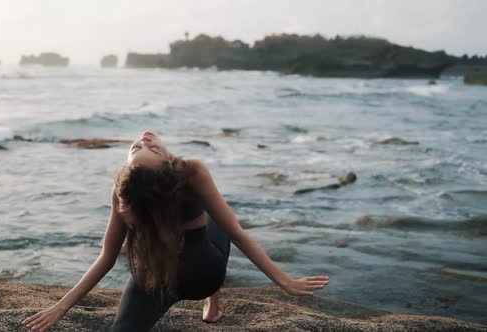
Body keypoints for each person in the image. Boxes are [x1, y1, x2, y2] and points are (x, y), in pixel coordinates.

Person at [23, 131, 330, 331]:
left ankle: (211, 301)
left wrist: (61, 307)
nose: (145, 139)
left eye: (142, 146)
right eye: (145, 148)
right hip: (203, 278)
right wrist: (283, 281)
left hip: (152, 280)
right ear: (170, 168)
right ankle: (212, 302)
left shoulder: (123, 193)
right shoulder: (191, 171)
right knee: (218, 219)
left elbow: (107, 257)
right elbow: (236, 232)